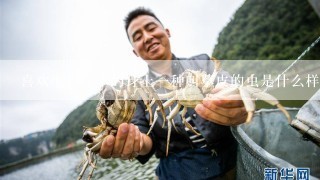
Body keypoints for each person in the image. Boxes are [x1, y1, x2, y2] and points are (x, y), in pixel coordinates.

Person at [99, 7, 247, 179]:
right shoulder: (139, 92)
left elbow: (229, 84)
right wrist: (134, 141)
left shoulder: (203, 63)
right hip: (179, 172)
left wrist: (236, 99)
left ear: (167, 32)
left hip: (232, 159)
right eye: (138, 37)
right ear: (135, 52)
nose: (147, 37)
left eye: (151, 28)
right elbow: (145, 137)